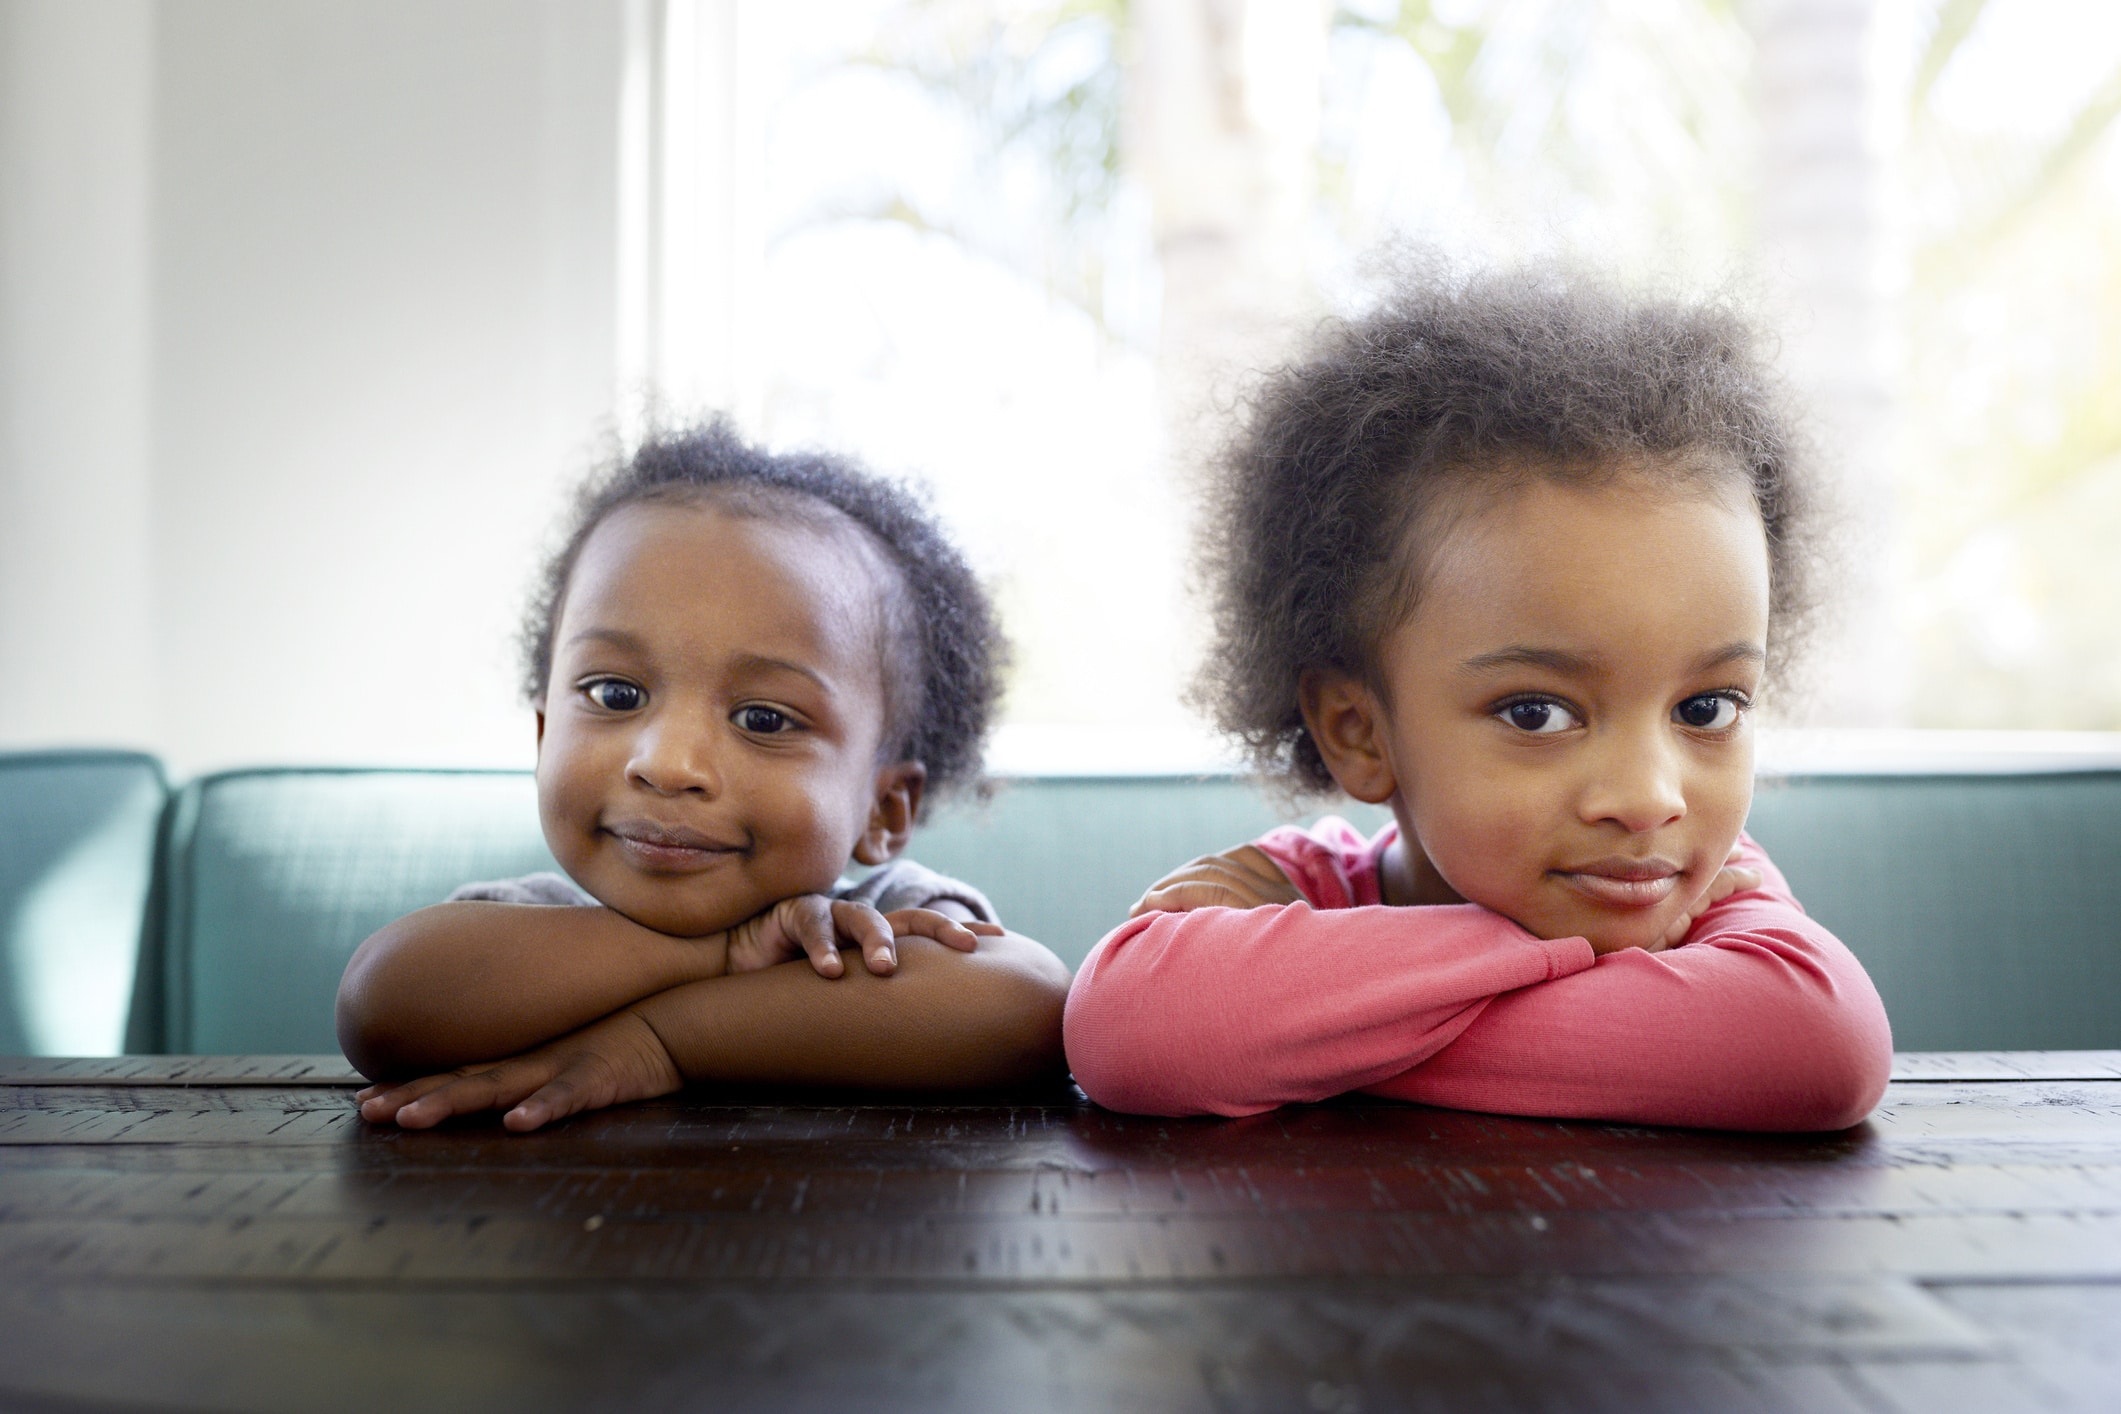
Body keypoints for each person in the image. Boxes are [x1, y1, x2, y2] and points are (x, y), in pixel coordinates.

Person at [1062, 262, 1893, 1131]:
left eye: (1706, 708)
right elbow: (1128, 1026)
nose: (1648, 798)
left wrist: (1317, 1038)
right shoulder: (1287, 888)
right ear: (1359, 731)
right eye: (1537, 711)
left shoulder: (1721, 884)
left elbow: (1817, 1042)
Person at [341, 420, 1072, 1130]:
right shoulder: (523, 925)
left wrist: (659, 1042)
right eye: (614, 694)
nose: (666, 764)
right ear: (541, 739)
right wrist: (726, 953)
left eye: (763, 719)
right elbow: (382, 1003)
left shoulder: (887, 921)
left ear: (884, 809)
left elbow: (1026, 1012)